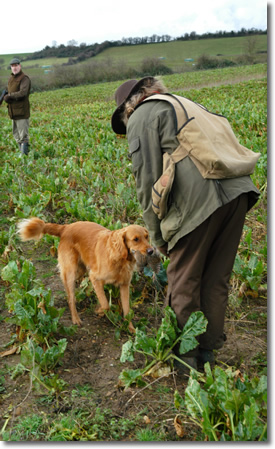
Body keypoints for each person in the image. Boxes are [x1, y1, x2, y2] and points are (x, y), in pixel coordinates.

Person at [111, 76, 260, 372]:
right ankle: (207, 353)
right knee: (215, 278)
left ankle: (185, 358)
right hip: (238, 193)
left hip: (199, 200)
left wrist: (156, 237)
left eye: (124, 116)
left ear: (131, 105)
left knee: (183, 279)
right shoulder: (187, 104)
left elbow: (145, 178)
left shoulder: (142, 114)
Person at [3, 58, 31, 155]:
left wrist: (9, 96)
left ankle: (25, 159)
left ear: (20, 66)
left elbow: (23, 93)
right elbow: (10, 91)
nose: (14, 68)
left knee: (23, 137)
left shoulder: (24, 78)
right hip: (13, 112)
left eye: (16, 65)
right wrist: (5, 95)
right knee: (17, 135)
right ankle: (22, 156)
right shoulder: (11, 78)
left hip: (22, 112)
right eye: (12, 66)